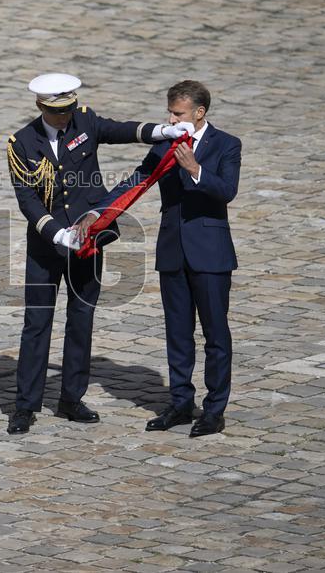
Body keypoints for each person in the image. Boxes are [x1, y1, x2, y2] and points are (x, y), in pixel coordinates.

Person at [4, 73, 187, 435]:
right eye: (58, 112)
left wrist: (160, 133)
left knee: (81, 319)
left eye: (69, 109)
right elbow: (26, 199)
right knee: (37, 324)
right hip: (46, 245)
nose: (66, 117)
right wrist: (58, 234)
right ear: (41, 107)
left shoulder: (84, 120)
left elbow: (121, 130)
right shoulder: (22, 143)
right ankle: (25, 405)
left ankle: (72, 397)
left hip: (89, 239)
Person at [82, 80, 241, 437]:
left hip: (211, 256)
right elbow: (136, 181)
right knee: (177, 333)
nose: (171, 119)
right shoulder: (166, 144)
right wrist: (98, 212)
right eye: (169, 112)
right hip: (173, 252)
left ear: (199, 113)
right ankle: (181, 402)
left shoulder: (226, 144)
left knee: (215, 334)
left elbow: (226, 191)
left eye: (178, 113)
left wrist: (194, 169)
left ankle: (214, 410)